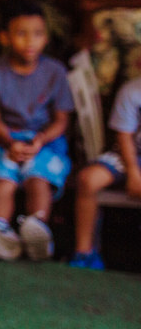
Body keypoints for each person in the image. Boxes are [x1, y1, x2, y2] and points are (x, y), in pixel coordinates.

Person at [0, 0, 74, 261]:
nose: (30, 41)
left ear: (46, 37)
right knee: (3, 180)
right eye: (21, 33)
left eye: (38, 34)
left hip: (45, 141)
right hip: (3, 139)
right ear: (5, 37)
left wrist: (40, 140)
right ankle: (0, 230)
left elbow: (61, 120)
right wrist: (9, 142)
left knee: (38, 178)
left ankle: (36, 228)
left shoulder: (55, 71)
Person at [68, 75, 141, 269]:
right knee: (88, 179)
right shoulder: (132, 90)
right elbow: (124, 137)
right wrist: (133, 173)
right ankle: (84, 253)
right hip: (130, 155)